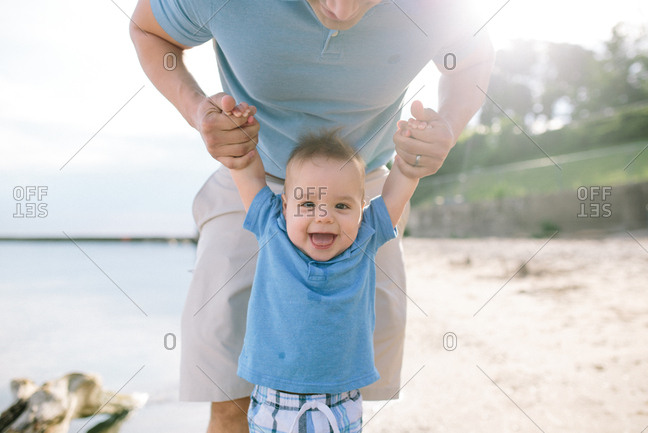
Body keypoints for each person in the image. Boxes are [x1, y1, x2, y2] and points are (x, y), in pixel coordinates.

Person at [129, 1, 494, 432]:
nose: (340, 9)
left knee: (357, 369)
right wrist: (198, 111)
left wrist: (443, 130)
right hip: (255, 166)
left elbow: (472, 59)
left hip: (364, 182)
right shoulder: (267, 213)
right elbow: (149, 31)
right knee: (225, 384)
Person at [229, 128, 419, 432]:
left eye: (342, 205)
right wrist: (240, 139)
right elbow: (246, 173)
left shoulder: (364, 239)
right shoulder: (271, 226)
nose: (324, 216)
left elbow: (398, 190)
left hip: (339, 405)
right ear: (285, 207)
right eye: (307, 204)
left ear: (361, 211)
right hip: (274, 403)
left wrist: (409, 167)